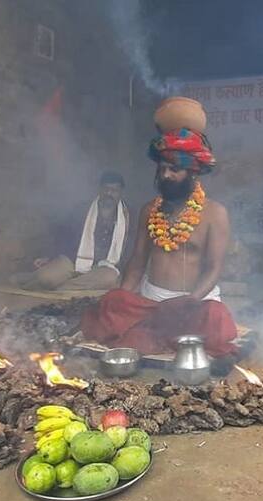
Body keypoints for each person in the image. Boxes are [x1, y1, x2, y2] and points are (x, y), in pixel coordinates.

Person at [81, 123, 239, 361]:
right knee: (112, 302)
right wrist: (121, 298)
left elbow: (214, 268)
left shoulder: (215, 213)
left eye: (174, 169)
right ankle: (159, 334)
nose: (165, 175)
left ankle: (163, 335)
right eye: (162, 168)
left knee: (216, 318)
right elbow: (137, 261)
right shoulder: (149, 210)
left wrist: (191, 301)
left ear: (192, 173)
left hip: (192, 304)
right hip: (150, 303)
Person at [10, 171, 130, 291]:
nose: (109, 193)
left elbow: (130, 250)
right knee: (46, 278)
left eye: (114, 190)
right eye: (106, 189)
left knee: (110, 278)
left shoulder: (128, 216)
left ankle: (60, 290)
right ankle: (33, 278)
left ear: (120, 192)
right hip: (74, 259)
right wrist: (50, 256)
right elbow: (63, 235)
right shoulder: (82, 209)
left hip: (103, 266)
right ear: (99, 189)